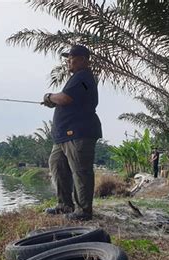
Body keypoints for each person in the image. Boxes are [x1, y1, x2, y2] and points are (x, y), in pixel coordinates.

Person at [41, 44, 102, 221]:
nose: (69, 61)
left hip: (78, 133)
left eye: (72, 58)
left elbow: (66, 98)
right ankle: (64, 204)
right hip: (63, 136)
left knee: (81, 171)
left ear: (83, 59)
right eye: (67, 59)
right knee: (57, 165)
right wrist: (53, 100)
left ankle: (84, 210)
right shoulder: (76, 78)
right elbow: (66, 97)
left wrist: (49, 97)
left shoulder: (84, 78)